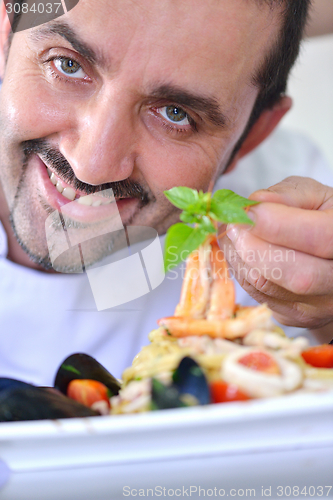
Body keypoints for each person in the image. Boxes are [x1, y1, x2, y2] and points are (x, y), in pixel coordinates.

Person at [0, 0, 332, 384]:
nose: (91, 164)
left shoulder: (295, 220)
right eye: (67, 64)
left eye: (176, 113)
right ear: (5, 33)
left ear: (251, 139)